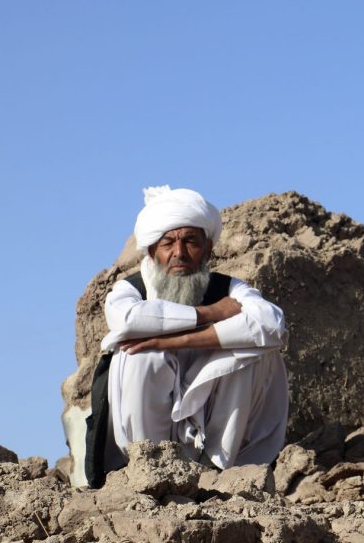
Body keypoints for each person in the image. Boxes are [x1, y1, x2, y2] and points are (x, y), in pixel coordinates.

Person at [97, 185, 289, 472]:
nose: (180, 253)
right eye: (168, 244)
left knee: (257, 351)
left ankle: (218, 470)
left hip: (211, 426)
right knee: (137, 352)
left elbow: (273, 325)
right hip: (152, 442)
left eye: (190, 241)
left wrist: (175, 341)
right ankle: (150, 468)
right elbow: (126, 320)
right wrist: (209, 313)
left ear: (208, 248)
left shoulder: (228, 287)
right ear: (152, 251)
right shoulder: (133, 288)